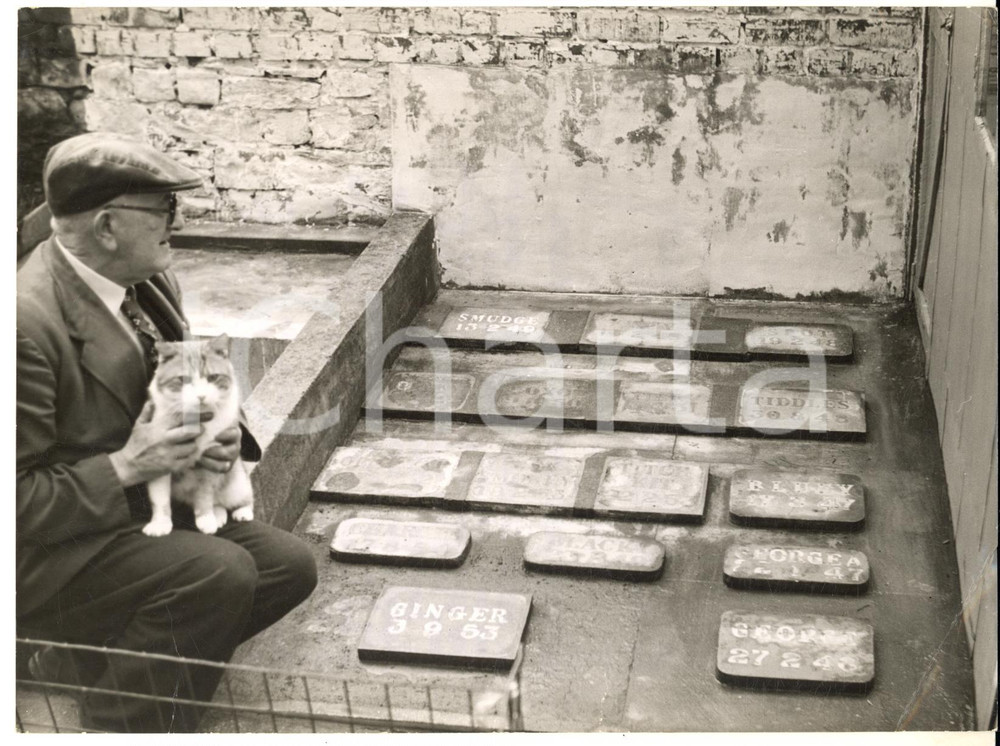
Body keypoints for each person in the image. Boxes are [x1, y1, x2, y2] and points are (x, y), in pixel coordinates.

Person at [16, 132, 318, 732]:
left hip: (132, 511)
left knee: (288, 565)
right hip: (47, 552)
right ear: (107, 226)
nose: (175, 223)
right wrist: (128, 466)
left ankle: (87, 661)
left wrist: (225, 435)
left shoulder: (146, 280)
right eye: (163, 211)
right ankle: (122, 723)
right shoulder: (22, 326)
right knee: (216, 573)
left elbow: (186, 375)